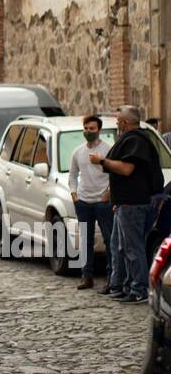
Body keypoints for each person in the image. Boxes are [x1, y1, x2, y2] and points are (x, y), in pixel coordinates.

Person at [90, 105, 161, 303]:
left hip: (134, 204)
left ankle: (139, 289)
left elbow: (127, 169)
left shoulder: (137, 140)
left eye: (119, 120)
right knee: (121, 247)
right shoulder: (130, 139)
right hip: (124, 203)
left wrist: (102, 161)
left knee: (133, 248)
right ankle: (128, 286)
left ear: (126, 122)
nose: (117, 123)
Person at [68, 113, 114, 291]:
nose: (88, 131)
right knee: (85, 240)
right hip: (83, 202)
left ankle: (112, 278)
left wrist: (107, 195)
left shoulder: (107, 150)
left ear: (99, 130)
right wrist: (74, 194)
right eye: (86, 128)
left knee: (109, 239)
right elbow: (72, 175)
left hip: (102, 202)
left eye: (92, 128)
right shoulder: (78, 152)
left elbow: (114, 175)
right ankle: (87, 276)